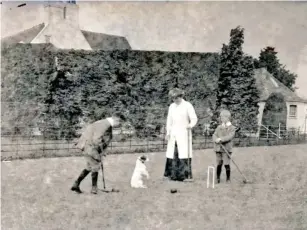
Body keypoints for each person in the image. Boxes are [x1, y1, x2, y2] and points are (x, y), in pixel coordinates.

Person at [71, 112, 126, 194]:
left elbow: (104, 138)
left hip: (89, 145)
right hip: (90, 146)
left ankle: (76, 184)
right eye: (120, 122)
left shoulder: (106, 124)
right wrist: (100, 152)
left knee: (90, 167)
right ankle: (94, 189)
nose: (120, 125)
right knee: (95, 165)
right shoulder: (104, 125)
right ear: (116, 119)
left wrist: (102, 151)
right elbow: (97, 139)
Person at [163, 88, 198, 181]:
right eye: (173, 98)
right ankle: (171, 175)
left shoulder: (188, 105)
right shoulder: (171, 106)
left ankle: (184, 176)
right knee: (172, 154)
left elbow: (194, 119)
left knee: (183, 154)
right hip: (173, 134)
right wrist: (168, 132)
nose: (175, 100)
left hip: (184, 133)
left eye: (176, 98)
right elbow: (169, 121)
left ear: (181, 96)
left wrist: (190, 125)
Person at [212, 109, 236, 183]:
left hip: (226, 148)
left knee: (226, 163)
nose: (221, 119)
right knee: (219, 163)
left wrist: (221, 139)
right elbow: (214, 135)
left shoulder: (232, 128)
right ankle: (218, 178)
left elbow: (229, 137)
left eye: (222, 117)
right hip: (219, 148)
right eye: (221, 117)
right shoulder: (219, 127)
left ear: (227, 118)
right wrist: (215, 139)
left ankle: (228, 179)